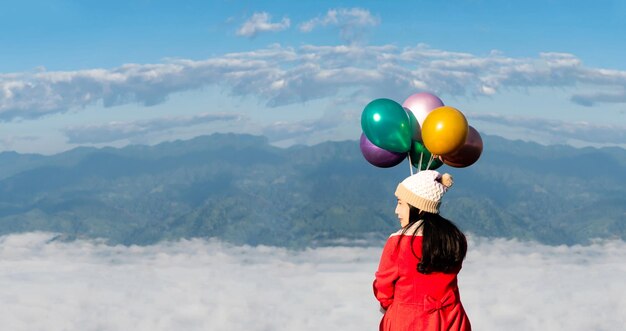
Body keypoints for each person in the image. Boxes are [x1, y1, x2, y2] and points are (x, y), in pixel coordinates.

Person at [373, 170, 471, 331]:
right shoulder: (455, 238)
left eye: (400, 203)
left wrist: (389, 307)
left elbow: (383, 287)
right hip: (452, 319)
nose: (396, 211)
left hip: (409, 321)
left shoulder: (399, 242)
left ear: (418, 207)